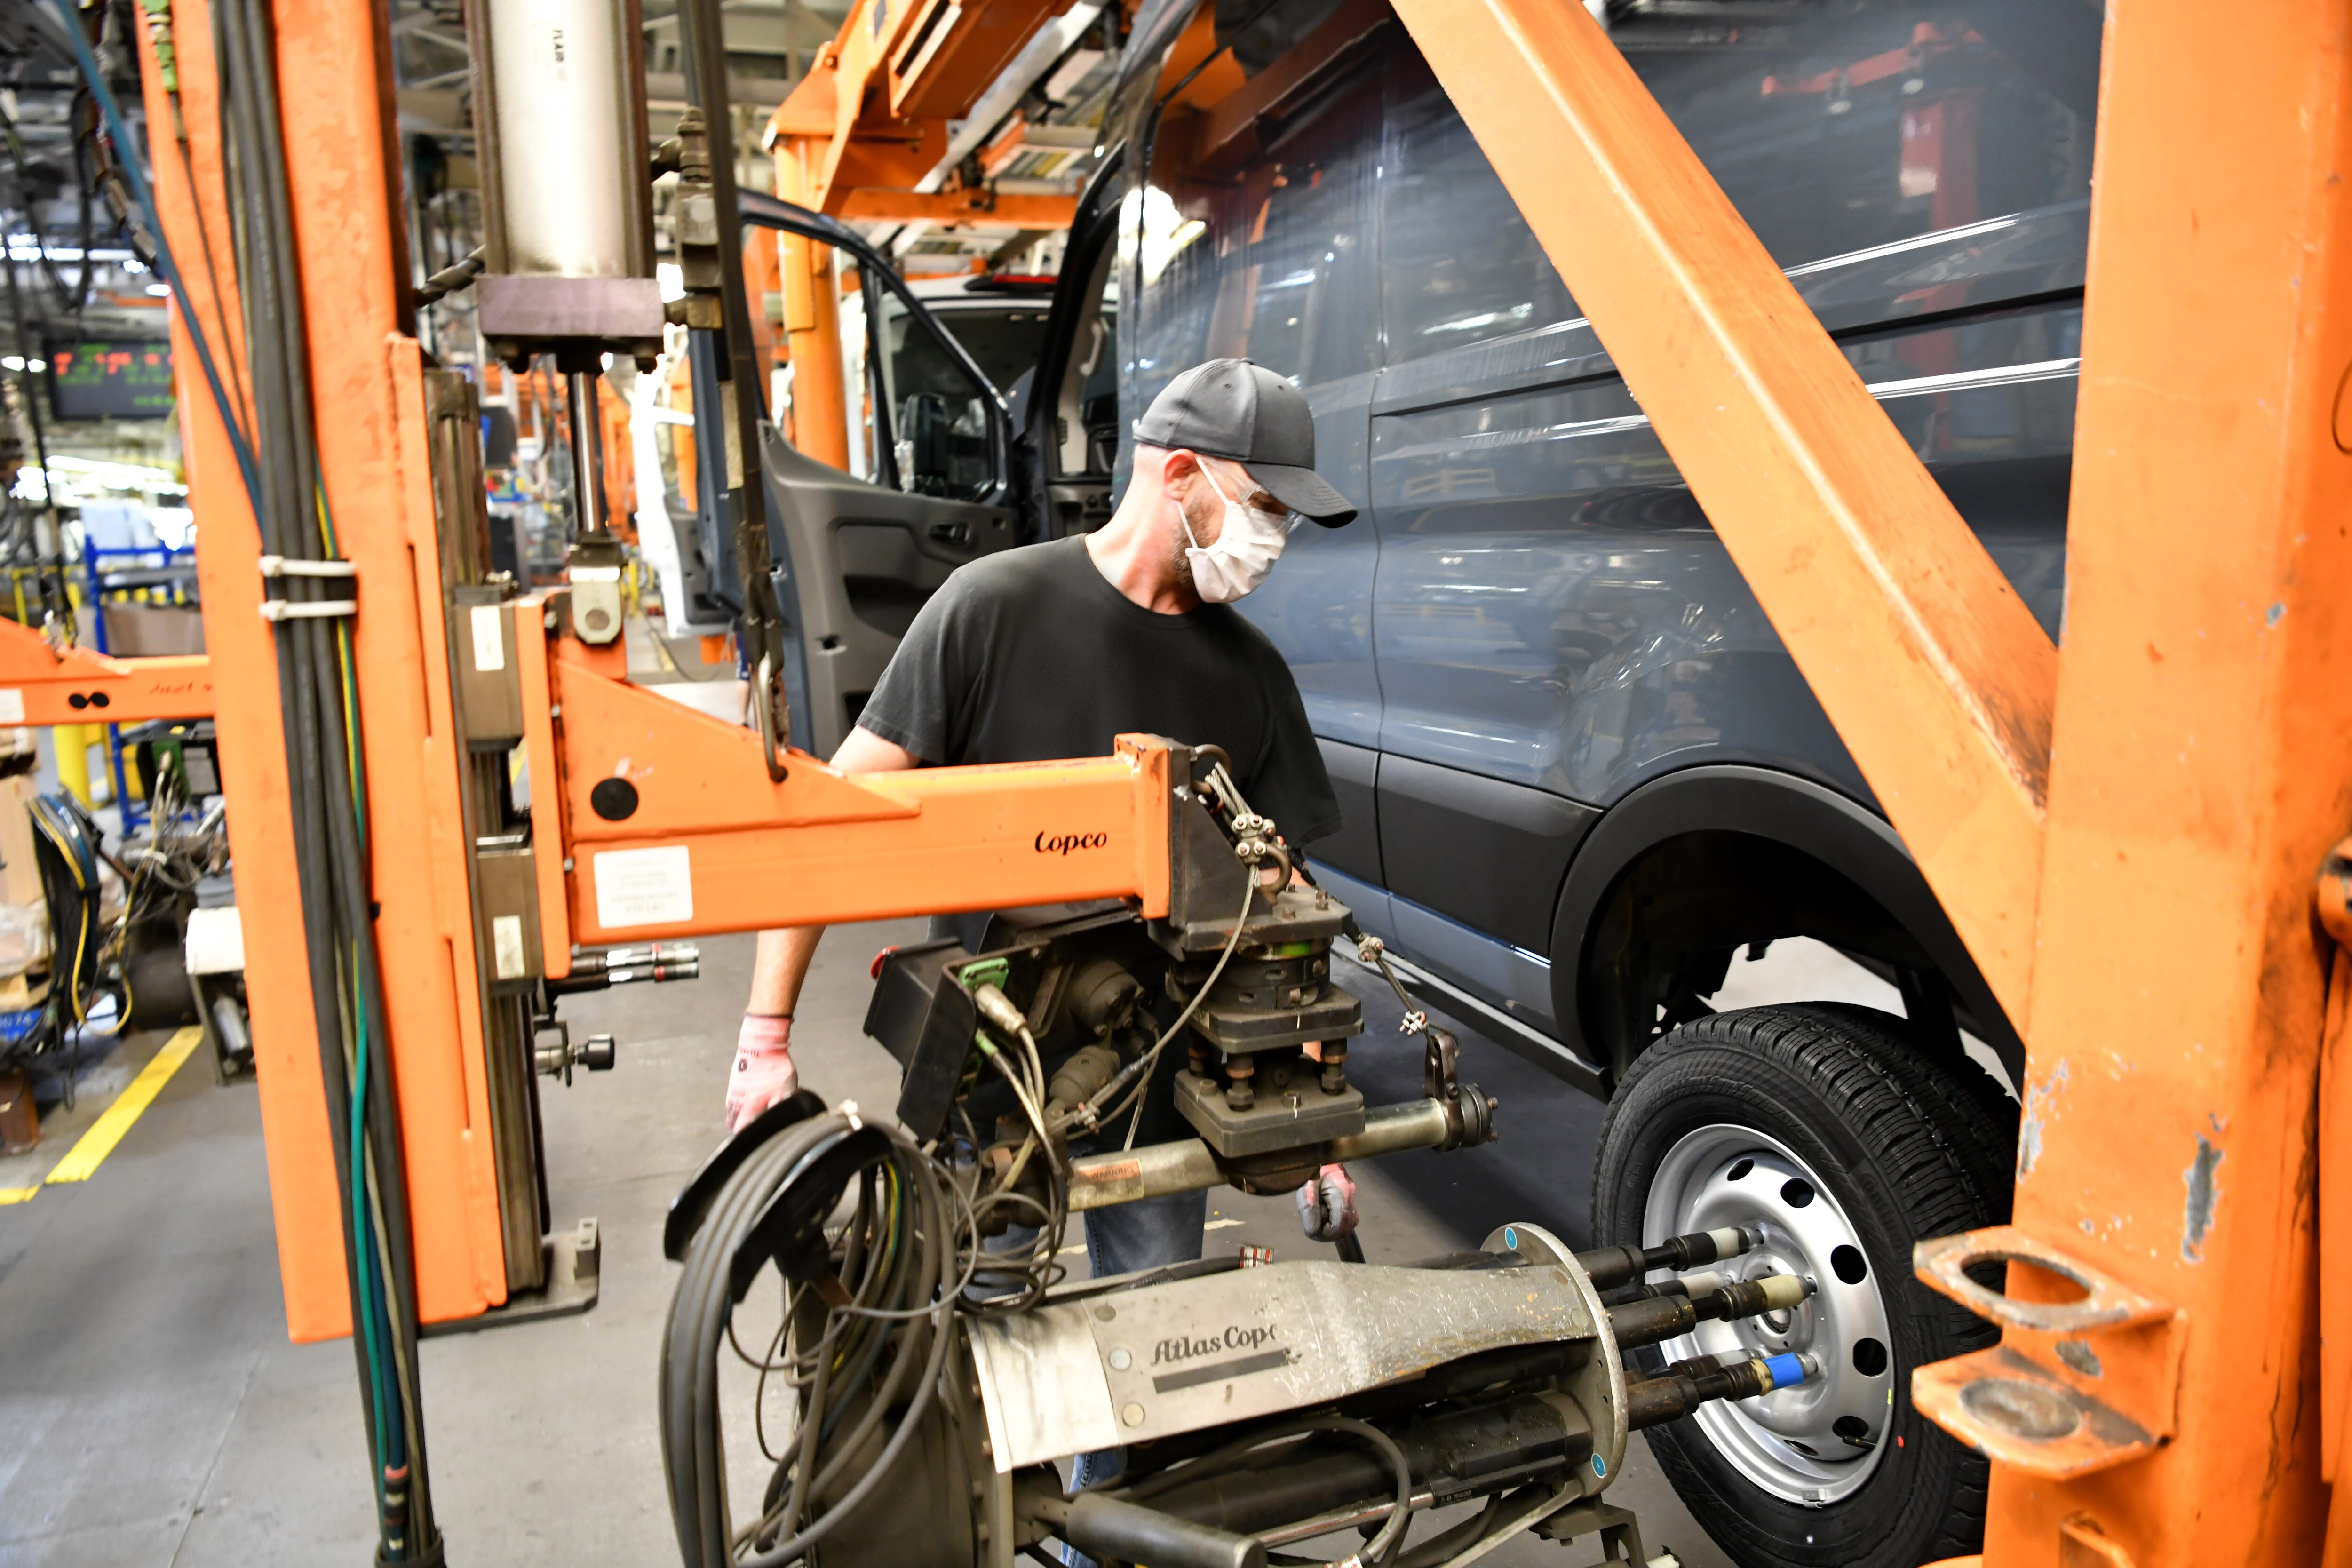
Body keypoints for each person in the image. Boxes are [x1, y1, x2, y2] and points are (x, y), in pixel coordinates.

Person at [725, 356, 1356, 1229]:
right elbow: (833, 825)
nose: (1275, 538)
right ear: (1180, 475)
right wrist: (764, 1037)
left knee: (1156, 1336)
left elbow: (1288, 904)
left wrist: (1310, 1114)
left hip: (1160, 1083)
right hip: (989, 1066)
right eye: (1265, 507)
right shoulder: (989, 609)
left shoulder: (1255, 677)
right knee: (968, 1316)